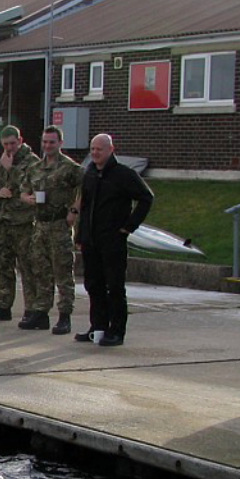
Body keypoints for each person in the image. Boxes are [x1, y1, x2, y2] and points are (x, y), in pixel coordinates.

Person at [76, 133, 154, 347]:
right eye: (92, 149)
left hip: (112, 241)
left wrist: (128, 226)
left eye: (99, 149)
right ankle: (98, 327)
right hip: (91, 240)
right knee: (94, 285)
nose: (95, 153)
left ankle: (116, 331)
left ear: (111, 149)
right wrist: (81, 235)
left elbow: (146, 198)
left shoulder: (124, 175)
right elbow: (85, 207)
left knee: (114, 286)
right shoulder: (90, 173)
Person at [27, 125, 82, 334]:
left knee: (63, 272)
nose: (47, 146)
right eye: (45, 142)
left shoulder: (69, 168)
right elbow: (24, 190)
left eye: (51, 142)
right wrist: (28, 198)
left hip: (59, 225)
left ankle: (65, 316)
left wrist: (74, 211)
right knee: (41, 271)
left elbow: (87, 188)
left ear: (60, 143)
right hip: (40, 225)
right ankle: (41, 313)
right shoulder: (36, 168)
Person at [0, 126, 40, 324]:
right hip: (3, 221)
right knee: (3, 265)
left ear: (20, 141)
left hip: (23, 222)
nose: (9, 148)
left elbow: (33, 185)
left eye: (12, 143)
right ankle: (3, 304)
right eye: (6, 144)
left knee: (27, 266)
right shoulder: (1, 162)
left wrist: (12, 170)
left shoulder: (32, 162)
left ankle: (31, 308)